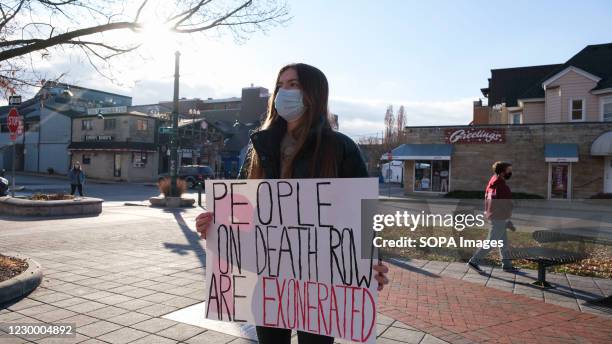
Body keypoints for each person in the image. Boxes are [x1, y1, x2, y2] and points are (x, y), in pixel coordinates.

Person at [195, 63, 389, 344]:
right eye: (280, 85)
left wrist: (372, 261)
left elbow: (362, 213)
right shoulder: (259, 148)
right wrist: (214, 223)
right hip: (269, 271)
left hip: (322, 275)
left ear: (314, 93)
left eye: (293, 84)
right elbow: (240, 203)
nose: (284, 91)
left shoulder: (340, 148)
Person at [468, 161, 518, 273]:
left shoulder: (492, 183)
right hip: (499, 217)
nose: (511, 172)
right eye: (509, 170)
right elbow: (507, 204)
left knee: (503, 242)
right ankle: (474, 261)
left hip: (494, 216)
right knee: (491, 242)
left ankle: (507, 265)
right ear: (502, 172)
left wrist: (487, 212)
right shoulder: (501, 186)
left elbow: (487, 199)